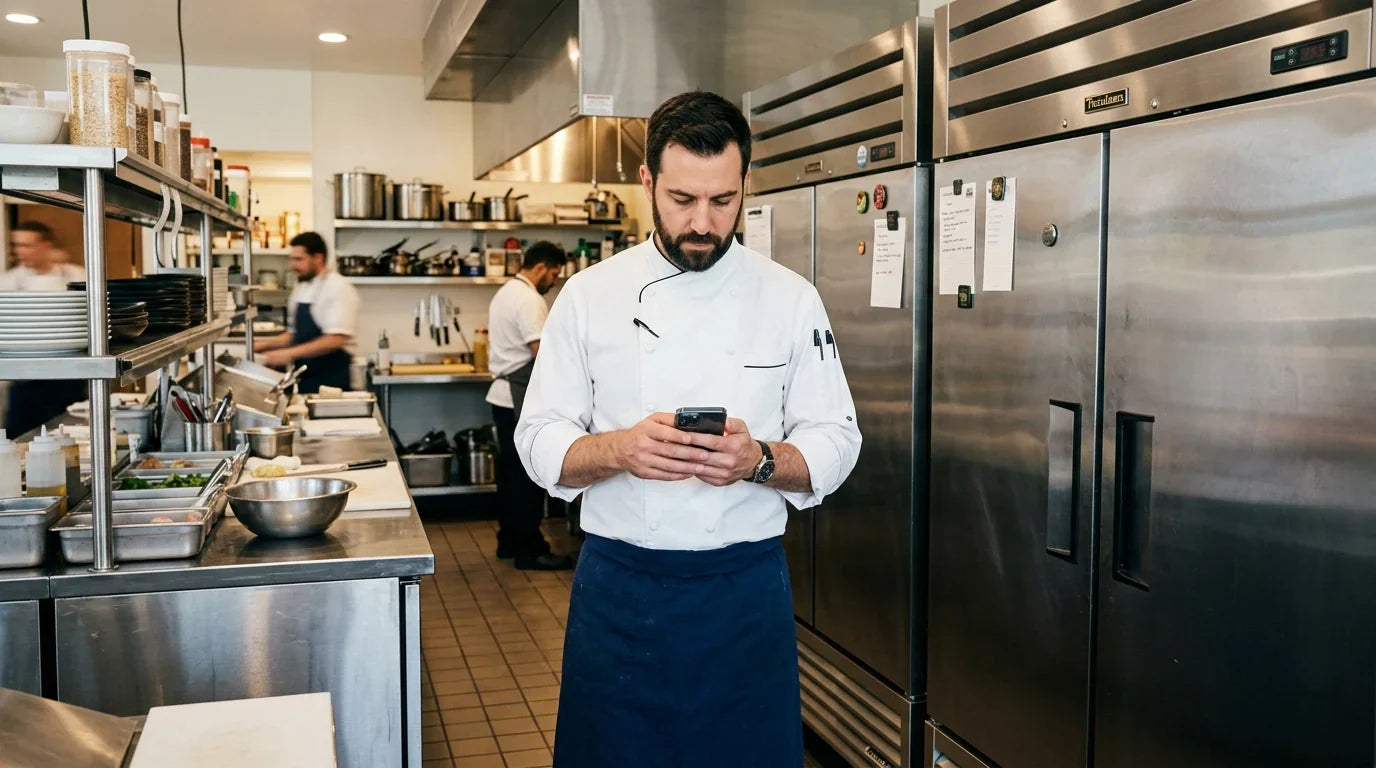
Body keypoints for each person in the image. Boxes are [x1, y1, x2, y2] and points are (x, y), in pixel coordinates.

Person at [516, 91, 862, 766]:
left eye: (722, 201)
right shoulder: (588, 296)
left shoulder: (790, 298)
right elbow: (537, 440)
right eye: (681, 200)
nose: (702, 222)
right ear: (646, 182)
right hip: (622, 592)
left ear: (744, 186)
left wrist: (758, 460)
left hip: (743, 592)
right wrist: (619, 449)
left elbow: (838, 438)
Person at [485, 241, 574, 571]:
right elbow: (542, 353)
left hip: (502, 397)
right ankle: (530, 548)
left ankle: (509, 541)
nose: (554, 280)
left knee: (509, 477)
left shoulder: (506, 291)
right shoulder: (529, 300)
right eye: (553, 273)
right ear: (540, 267)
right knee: (528, 476)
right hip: (517, 396)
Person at [2, 222, 88, 436]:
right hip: (24, 381)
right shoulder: (7, 282)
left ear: (46, 245)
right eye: (17, 245)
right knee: (20, 443)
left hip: (69, 377)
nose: (20, 251)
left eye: (27, 245)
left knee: (71, 440)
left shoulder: (77, 276)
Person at [253, 232, 360, 394]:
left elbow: (335, 339)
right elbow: (296, 334)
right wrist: (261, 346)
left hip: (333, 381)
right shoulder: (301, 287)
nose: (292, 265)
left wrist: (286, 354)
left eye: (299, 259)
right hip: (306, 379)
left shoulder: (338, 287)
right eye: (291, 259)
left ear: (318, 257)